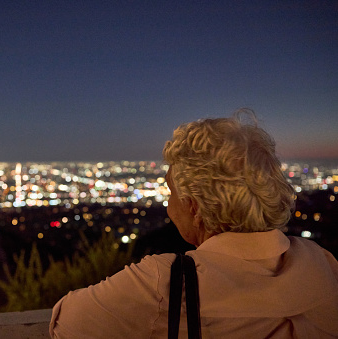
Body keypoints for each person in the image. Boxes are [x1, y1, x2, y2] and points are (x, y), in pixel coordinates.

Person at [49, 111, 338, 338]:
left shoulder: (164, 283)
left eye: (170, 192)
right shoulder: (322, 262)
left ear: (194, 207)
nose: (167, 204)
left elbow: (66, 323)